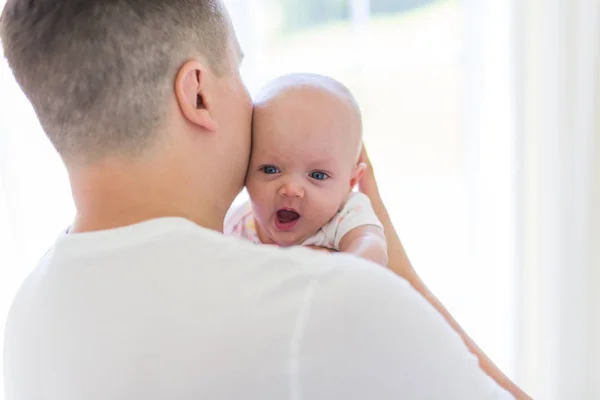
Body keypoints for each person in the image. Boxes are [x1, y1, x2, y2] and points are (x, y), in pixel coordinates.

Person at [0, 0, 529, 399]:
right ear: (198, 92)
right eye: (239, 69)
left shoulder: (25, 318)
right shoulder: (328, 303)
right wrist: (396, 271)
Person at [225, 73, 387, 266]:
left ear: (350, 182)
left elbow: (373, 247)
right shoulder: (236, 223)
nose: (291, 188)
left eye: (317, 175)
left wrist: (338, 268)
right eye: (270, 170)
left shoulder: (344, 215)